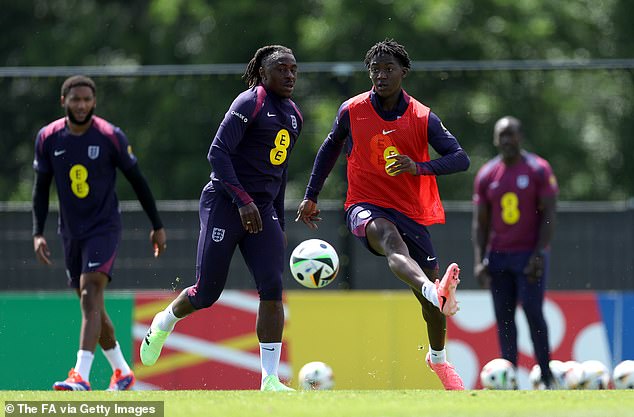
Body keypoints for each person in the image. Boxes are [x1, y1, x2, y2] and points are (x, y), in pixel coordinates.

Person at [295, 39, 470, 390]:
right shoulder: (352, 109)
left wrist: (417, 167)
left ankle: (438, 360)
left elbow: (460, 159)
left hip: (411, 210)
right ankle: (430, 288)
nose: (381, 75)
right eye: (375, 69)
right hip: (364, 205)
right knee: (391, 243)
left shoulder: (421, 116)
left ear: (403, 71)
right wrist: (311, 195)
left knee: (432, 308)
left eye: (388, 68)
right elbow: (329, 149)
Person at [140, 45, 301, 391]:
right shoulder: (249, 102)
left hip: (263, 209)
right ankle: (164, 321)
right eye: (282, 69)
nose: (289, 76)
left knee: (272, 287)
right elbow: (218, 153)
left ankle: (269, 379)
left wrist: (280, 223)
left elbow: (280, 173)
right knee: (207, 292)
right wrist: (242, 200)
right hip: (226, 203)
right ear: (263, 73)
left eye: (293, 70)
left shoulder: (294, 115)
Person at [32, 75, 167, 391]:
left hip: (104, 227)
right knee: (90, 303)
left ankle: (80, 375)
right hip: (71, 231)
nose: (81, 105)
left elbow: (138, 180)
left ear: (94, 102)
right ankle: (122, 371)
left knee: (90, 292)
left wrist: (157, 225)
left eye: (86, 100)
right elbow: (40, 189)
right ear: (63, 100)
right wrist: (38, 232)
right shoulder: (48, 137)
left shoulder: (110, 136)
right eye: (75, 99)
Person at [472, 115, 558, 389]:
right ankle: (509, 379)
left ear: (520, 137)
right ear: (496, 139)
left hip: (528, 255)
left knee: (533, 311)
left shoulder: (538, 169)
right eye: (502, 135)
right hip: (498, 257)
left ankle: (545, 375)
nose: (507, 140)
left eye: (512, 134)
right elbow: (480, 222)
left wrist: (539, 253)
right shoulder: (487, 174)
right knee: (504, 318)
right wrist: (479, 260)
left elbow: (549, 215)